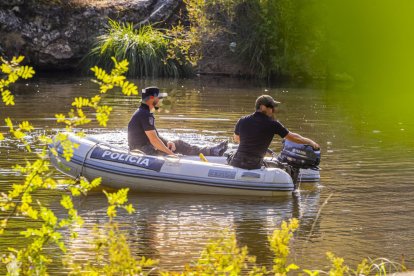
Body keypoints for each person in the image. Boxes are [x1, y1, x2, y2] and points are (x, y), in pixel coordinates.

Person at [128, 86, 228, 156]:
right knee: (176, 148)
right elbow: (154, 140)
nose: (160, 101)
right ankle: (211, 151)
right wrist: (170, 154)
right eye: (158, 98)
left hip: (145, 147)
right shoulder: (144, 115)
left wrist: (167, 142)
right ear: (151, 99)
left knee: (177, 144)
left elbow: (154, 136)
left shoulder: (143, 112)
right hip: (142, 150)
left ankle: (211, 151)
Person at [229, 95, 320, 170]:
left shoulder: (242, 120)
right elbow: (293, 137)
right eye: (271, 107)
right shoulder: (272, 124)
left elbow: (237, 139)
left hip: (236, 162)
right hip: (254, 165)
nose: (273, 110)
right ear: (262, 107)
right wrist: (311, 142)